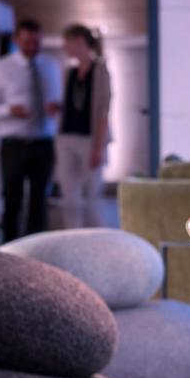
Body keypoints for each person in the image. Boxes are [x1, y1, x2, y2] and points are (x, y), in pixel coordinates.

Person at [0, 18, 63, 242]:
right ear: (17, 40)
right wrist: (9, 110)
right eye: (27, 41)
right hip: (14, 144)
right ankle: (10, 248)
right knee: (12, 198)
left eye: (36, 42)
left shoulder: (50, 66)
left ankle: (37, 248)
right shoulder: (0, 68)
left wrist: (56, 107)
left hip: (43, 142)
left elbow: (57, 99)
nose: (32, 46)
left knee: (40, 199)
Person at [56, 24, 112, 228]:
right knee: (69, 197)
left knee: (92, 196)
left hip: (90, 139)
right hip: (67, 137)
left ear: (79, 41)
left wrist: (98, 147)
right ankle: (72, 237)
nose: (65, 47)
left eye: (67, 42)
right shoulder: (69, 72)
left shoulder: (100, 70)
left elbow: (103, 110)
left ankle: (95, 238)